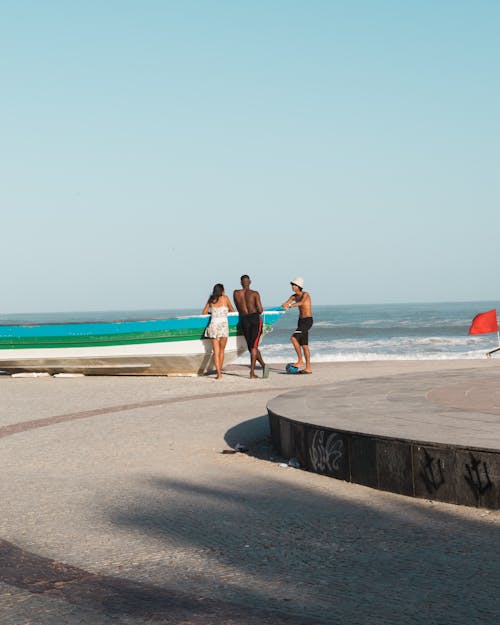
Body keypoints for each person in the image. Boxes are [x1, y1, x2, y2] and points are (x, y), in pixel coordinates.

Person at [233, 274, 268, 379]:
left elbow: (238, 307)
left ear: (240, 283)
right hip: (254, 319)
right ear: (250, 282)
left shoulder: (236, 293)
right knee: (253, 346)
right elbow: (261, 310)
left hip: (244, 319)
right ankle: (252, 372)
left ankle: (264, 366)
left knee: (251, 346)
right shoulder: (255, 293)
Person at [281, 277, 313, 374]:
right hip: (301, 321)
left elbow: (301, 303)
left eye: (294, 285)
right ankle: (308, 368)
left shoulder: (305, 295)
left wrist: (290, 306)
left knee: (293, 338)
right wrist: (284, 305)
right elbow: (287, 303)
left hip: (307, 321)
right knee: (304, 346)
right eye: (292, 285)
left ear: (299, 286)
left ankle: (300, 361)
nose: (292, 286)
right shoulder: (293, 296)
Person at [202, 283, 234, 379]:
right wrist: (224, 312)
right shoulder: (225, 298)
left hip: (213, 325)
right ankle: (220, 371)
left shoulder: (211, 299)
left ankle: (219, 374)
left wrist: (212, 313)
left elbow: (203, 313)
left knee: (216, 352)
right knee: (222, 351)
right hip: (223, 325)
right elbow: (232, 311)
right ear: (222, 290)